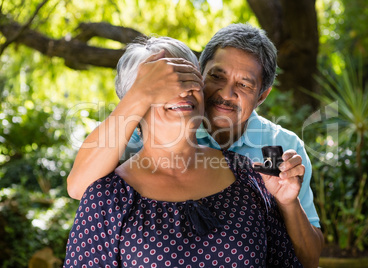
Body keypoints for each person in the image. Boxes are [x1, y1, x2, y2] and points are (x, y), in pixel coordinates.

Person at [67, 24, 324, 267]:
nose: (225, 93)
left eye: (244, 85)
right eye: (216, 76)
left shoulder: (272, 155)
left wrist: (288, 203)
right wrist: (141, 93)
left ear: (262, 96)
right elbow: (82, 188)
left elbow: (303, 261)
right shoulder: (134, 140)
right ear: (202, 74)